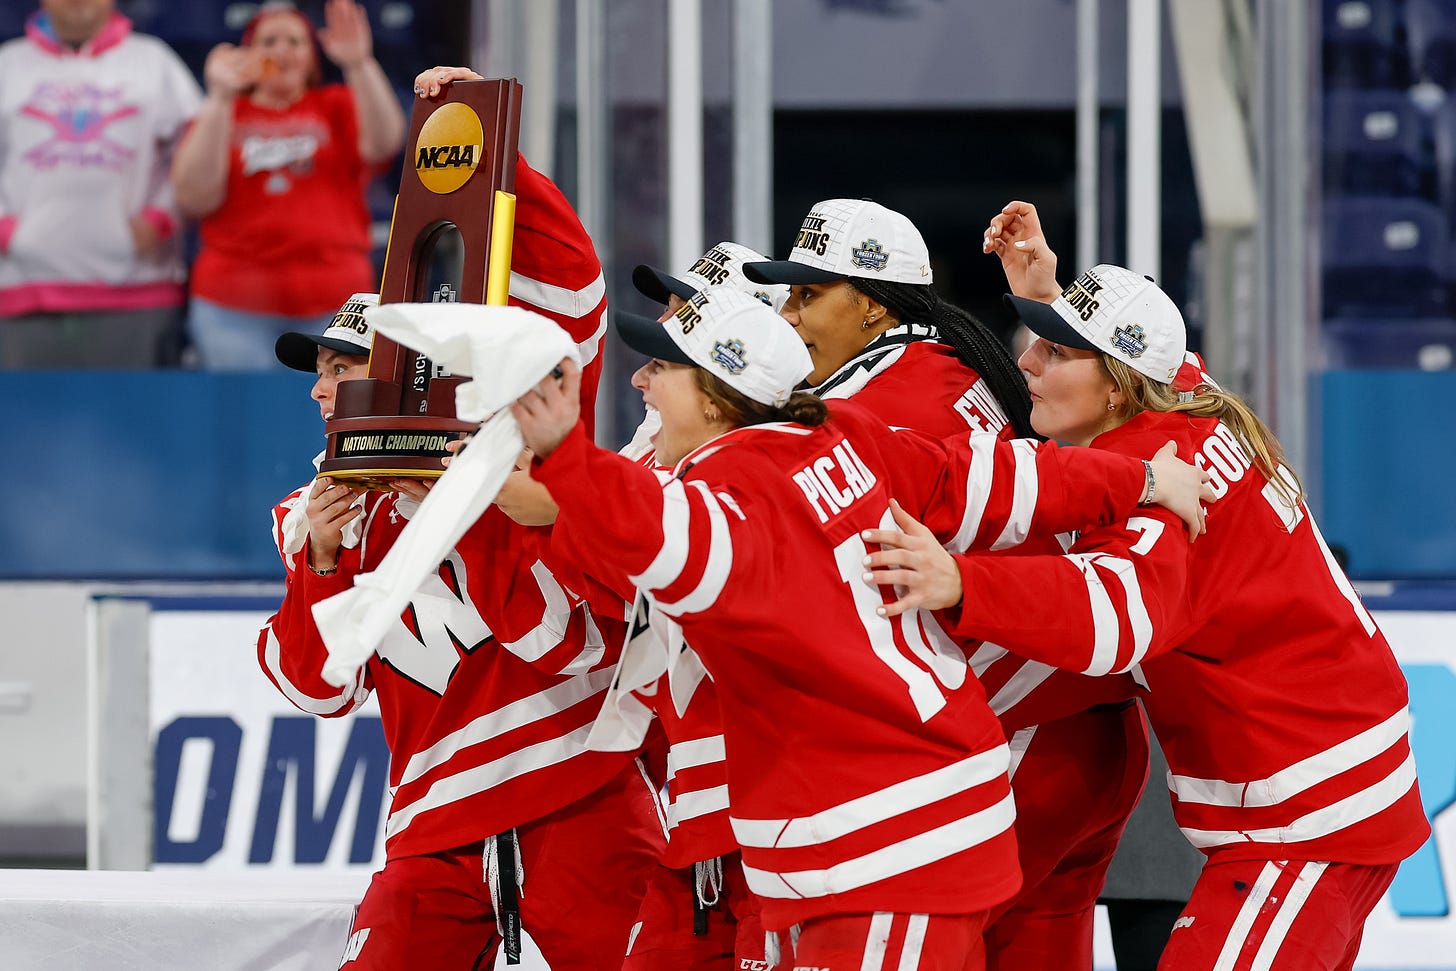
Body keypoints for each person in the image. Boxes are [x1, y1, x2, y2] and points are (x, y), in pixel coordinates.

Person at [509, 284, 1212, 970]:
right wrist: (1142, 481)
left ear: (717, 398)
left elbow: (652, 530)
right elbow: (1001, 478)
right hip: (909, 822)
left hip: (881, 845)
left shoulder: (739, 493)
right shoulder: (842, 435)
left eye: (662, 367)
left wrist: (564, 458)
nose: (640, 381)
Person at [867, 240, 1431, 969]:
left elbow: (1110, 620)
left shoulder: (1166, 486)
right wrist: (1052, 297)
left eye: (1055, 351)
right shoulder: (1184, 396)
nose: (1025, 362)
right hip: (1338, 775)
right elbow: (1155, 351)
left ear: (1117, 387)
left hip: (1304, 814)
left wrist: (961, 582)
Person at [256, 144, 665, 968]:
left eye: (341, 367)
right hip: (432, 823)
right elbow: (316, 690)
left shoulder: (512, 468)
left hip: (575, 790)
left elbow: (567, 641)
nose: (319, 389)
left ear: (405, 377)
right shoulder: (312, 517)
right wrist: (322, 568)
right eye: (319, 371)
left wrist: (491, 158)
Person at [744, 198, 1154, 970]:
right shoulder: (950, 359)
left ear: (871, 305)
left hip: (1018, 729)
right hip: (1085, 728)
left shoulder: (868, 407)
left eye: (808, 294)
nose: (788, 316)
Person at [171, 0, 405, 370]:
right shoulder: (224, 113)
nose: (282, 50)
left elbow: (385, 142)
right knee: (243, 405)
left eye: (295, 42)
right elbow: (194, 196)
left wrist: (359, 64)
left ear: (312, 57)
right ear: (248, 55)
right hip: (233, 307)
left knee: (327, 403)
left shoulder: (336, 105)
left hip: (334, 303)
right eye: (269, 41)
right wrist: (219, 97)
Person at [0, 0, 201, 368]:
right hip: (20, 290)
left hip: (139, 289)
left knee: (137, 406)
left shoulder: (154, 61)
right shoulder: (7, 64)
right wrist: (5, 229)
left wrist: (161, 218)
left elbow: (200, 150)